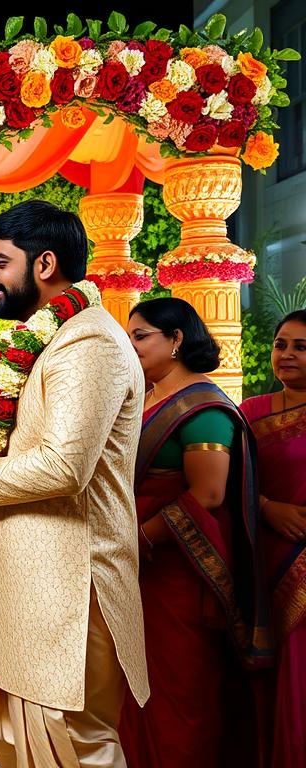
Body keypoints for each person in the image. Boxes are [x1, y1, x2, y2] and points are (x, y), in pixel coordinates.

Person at [0, 200, 150, 767]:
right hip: (34, 588)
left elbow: (65, 467)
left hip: (71, 587)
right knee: (22, 742)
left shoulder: (87, 344)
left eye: (0, 261)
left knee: (74, 746)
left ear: (44, 264)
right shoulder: (54, 339)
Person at [118, 297, 269, 767]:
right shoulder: (149, 397)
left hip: (175, 570)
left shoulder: (202, 407)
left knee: (180, 687)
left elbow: (207, 494)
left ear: (177, 339)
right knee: (135, 686)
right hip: (135, 566)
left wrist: (140, 541)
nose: (131, 345)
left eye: (140, 336)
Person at [240, 309, 306, 768]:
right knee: (276, 677)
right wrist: (267, 508)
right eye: (281, 344)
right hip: (267, 559)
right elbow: (229, 483)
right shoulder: (249, 412)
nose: (286, 354)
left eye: (301, 346)